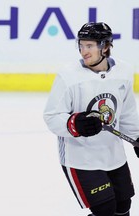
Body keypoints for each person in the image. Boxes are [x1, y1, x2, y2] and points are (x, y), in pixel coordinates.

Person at [43, 22, 139, 216]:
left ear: (105, 46)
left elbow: (127, 112)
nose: (83, 51)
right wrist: (74, 123)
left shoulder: (124, 72)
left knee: (123, 207)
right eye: (81, 45)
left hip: (114, 155)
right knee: (105, 210)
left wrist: (138, 137)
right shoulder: (68, 76)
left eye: (89, 46)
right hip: (81, 158)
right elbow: (51, 116)